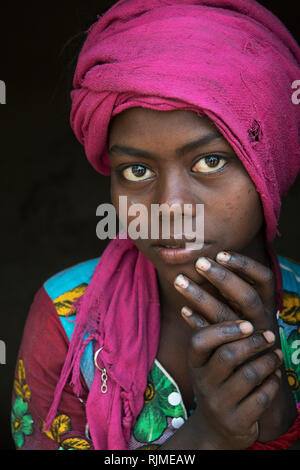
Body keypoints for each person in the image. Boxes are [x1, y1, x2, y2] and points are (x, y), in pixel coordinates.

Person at [11, 0, 300, 450]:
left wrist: (281, 425)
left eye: (209, 161)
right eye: (137, 171)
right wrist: (207, 439)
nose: (169, 207)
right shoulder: (67, 319)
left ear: (268, 167)